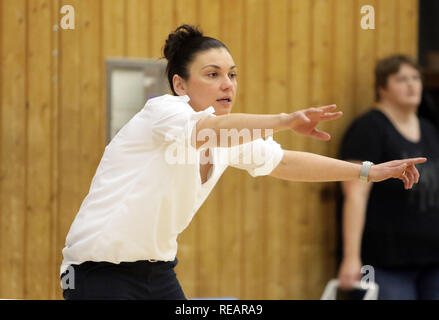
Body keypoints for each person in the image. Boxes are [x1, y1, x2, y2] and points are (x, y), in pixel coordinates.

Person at [60, 25, 425, 300]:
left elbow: (284, 162)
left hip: (158, 274)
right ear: (180, 84)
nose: (227, 85)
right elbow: (207, 130)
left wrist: (367, 171)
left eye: (232, 74)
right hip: (96, 273)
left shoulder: (228, 138)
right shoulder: (164, 112)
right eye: (213, 74)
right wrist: (285, 120)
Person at [337, 54, 439, 300]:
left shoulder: (429, 129)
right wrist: (352, 257)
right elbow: (355, 195)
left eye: (416, 78)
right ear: (382, 87)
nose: (412, 85)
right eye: (402, 79)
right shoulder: (368, 128)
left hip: (432, 259)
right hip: (385, 262)